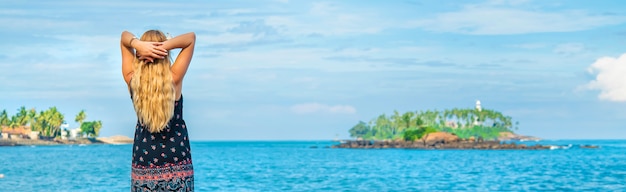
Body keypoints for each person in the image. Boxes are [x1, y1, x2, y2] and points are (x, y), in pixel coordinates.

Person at [120, 30, 196, 191]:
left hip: (144, 160)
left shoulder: (132, 80)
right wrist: (163, 46)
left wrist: (138, 45)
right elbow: (190, 38)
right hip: (177, 160)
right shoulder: (174, 79)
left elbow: (123, 38)